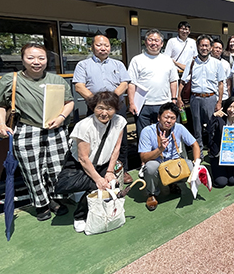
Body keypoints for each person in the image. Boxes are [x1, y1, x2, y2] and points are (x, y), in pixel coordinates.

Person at [0, 43, 74, 221]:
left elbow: (69, 102)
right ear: (23, 59)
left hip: (55, 129)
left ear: (47, 60)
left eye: (41, 58)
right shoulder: (11, 80)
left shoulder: (57, 80)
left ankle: (55, 199)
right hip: (27, 128)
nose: (36, 62)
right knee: (31, 169)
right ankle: (40, 204)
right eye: (31, 58)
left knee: (56, 168)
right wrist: (0, 124)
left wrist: (61, 117)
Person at [72, 34, 131, 179]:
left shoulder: (118, 64)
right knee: (95, 139)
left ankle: (121, 170)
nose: (103, 48)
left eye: (106, 45)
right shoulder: (83, 65)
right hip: (95, 108)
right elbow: (79, 86)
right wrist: (98, 102)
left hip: (117, 107)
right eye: (99, 45)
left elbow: (125, 83)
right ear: (92, 47)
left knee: (120, 140)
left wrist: (111, 100)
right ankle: (96, 170)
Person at [67, 91, 126, 232]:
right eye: (100, 108)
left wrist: (110, 171)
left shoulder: (119, 121)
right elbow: (83, 158)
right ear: (93, 107)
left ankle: (103, 212)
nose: (104, 113)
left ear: (116, 109)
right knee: (95, 186)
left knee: (111, 184)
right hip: (82, 164)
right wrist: (98, 179)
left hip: (104, 162)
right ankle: (80, 216)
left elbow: (116, 148)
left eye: (109, 109)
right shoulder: (84, 126)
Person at [138, 102, 201, 211]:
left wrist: (196, 163)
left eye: (172, 118)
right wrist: (160, 149)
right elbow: (143, 157)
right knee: (151, 167)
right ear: (158, 117)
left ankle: (173, 183)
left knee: (191, 167)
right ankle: (152, 193)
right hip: (157, 162)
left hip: (174, 161)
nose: (169, 121)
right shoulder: (147, 131)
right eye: (166, 117)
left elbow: (195, 145)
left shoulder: (179, 127)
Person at [127, 29, 179, 138]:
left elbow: (173, 81)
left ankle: (163, 154)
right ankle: (145, 155)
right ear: (145, 42)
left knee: (164, 134)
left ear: (161, 43)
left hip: (163, 103)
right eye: (150, 40)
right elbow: (131, 83)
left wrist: (174, 99)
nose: (153, 43)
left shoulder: (168, 60)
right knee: (143, 135)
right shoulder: (137, 60)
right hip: (142, 105)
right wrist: (131, 103)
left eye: (156, 40)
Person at [178, 34, 224, 149]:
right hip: (195, 98)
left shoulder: (217, 63)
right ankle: (199, 149)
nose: (204, 48)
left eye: (207, 45)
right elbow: (182, 82)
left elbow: (221, 84)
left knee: (211, 125)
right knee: (196, 126)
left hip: (211, 98)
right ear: (198, 47)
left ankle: (212, 148)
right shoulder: (192, 62)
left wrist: (219, 102)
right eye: (202, 45)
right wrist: (178, 98)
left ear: (211, 47)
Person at [207, 96, 234, 188]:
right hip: (218, 156)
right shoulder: (220, 120)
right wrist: (214, 116)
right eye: (229, 107)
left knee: (233, 181)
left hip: (232, 158)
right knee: (221, 182)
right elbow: (208, 131)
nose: (231, 110)